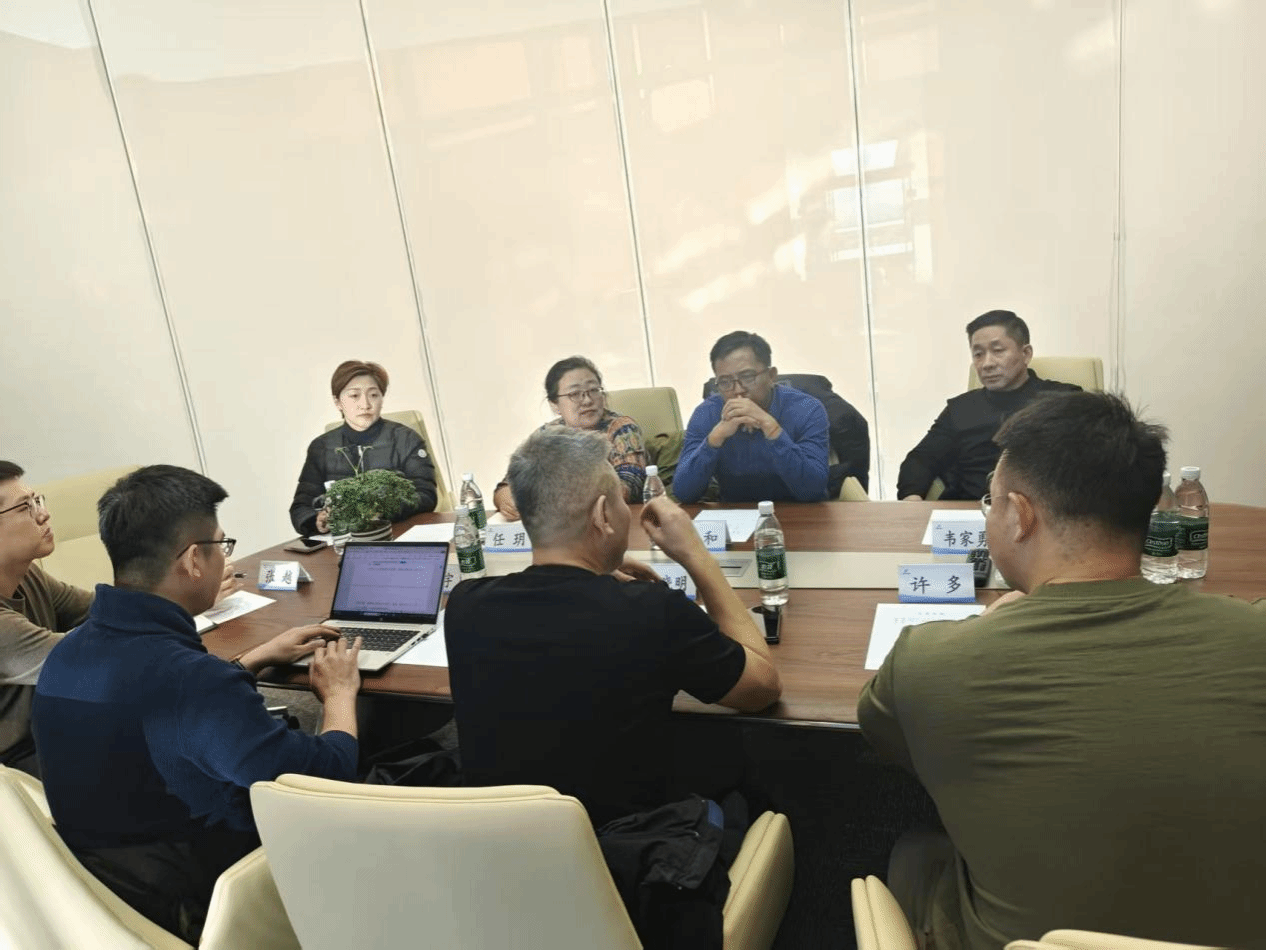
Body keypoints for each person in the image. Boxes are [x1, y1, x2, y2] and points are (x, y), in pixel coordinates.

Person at [859, 392, 1266, 949]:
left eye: (990, 502)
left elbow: (885, 742)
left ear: (1020, 515)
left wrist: (981, 630)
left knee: (912, 850)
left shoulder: (930, 663)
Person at [33, 465, 364, 942]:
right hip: (206, 895)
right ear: (192, 560)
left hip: (102, 893)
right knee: (411, 771)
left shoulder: (66, 653)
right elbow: (324, 778)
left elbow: (153, 713)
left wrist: (252, 660)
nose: (223, 558)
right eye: (221, 546)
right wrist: (338, 694)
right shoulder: (190, 681)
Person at [448, 426, 781, 827]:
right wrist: (696, 555)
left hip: (502, 841)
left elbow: (552, 617)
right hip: (621, 851)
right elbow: (763, 688)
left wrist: (599, 573)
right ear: (602, 515)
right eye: (624, 502)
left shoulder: (465, 605)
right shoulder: (651, 611)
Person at [0, 460, 238, 778]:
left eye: (37, 500)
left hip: (74, 723)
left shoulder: (29, 576)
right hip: (25, 763)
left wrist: (187, 592)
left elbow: (106, 611)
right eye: (24, 508)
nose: (43, 514)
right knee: (199, 751)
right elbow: (92, 658)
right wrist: (183, 595)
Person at [898, 310, 1081, 501]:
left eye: (998, 351)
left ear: (1026, 354)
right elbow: (921, 459)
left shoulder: (1064, 401)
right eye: (978, 354)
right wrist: (912, 499)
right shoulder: (960, 409)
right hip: (970, 509)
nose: (987, 364)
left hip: (1042, 512)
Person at [673, 331, 829, 503]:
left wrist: (772, 429)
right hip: (734, 513)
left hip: (799, 511)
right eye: (725, 382)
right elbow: (683, 493)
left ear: (771, 376)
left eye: (747, 377)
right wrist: (714, 440)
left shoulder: (807, 409)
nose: (738, 390)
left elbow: (813, 490)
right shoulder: (707, 413)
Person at [290, 360, 437, 536]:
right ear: (338, 402)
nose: (365, 404)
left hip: (397, 534)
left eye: (374, 395)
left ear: (382, 399)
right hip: (344, 542)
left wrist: (380, 508)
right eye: (354, 396)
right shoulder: (321, 448)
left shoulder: (406, 439)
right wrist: (316, 520)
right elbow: (300, 507)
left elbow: (426, 495)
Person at [493, 356, 647, 519]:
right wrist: (505, 498)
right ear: (554, 404)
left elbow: (629, 485)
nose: (587, 400)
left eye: (594, 390)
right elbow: (509, 483)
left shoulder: (622, 428)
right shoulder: (546, 435)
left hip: (616, 521)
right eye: (575, 394)